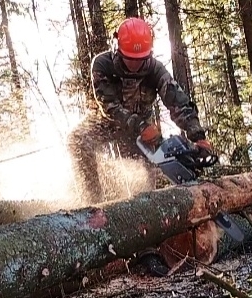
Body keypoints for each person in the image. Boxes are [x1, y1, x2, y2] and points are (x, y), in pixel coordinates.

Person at [68, 16, 215, 207]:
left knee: (146, 183)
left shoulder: (155, 69)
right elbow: (109, 106)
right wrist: (140, 125)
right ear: (117, 48)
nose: (135, 65)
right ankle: (92, 204)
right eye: (130, 59)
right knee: (77, 140)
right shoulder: (102, 64)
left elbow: (177, 101)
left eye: (140, 60)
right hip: (105, 123)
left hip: (141, 135)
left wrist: (197, 135)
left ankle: (148, 214)